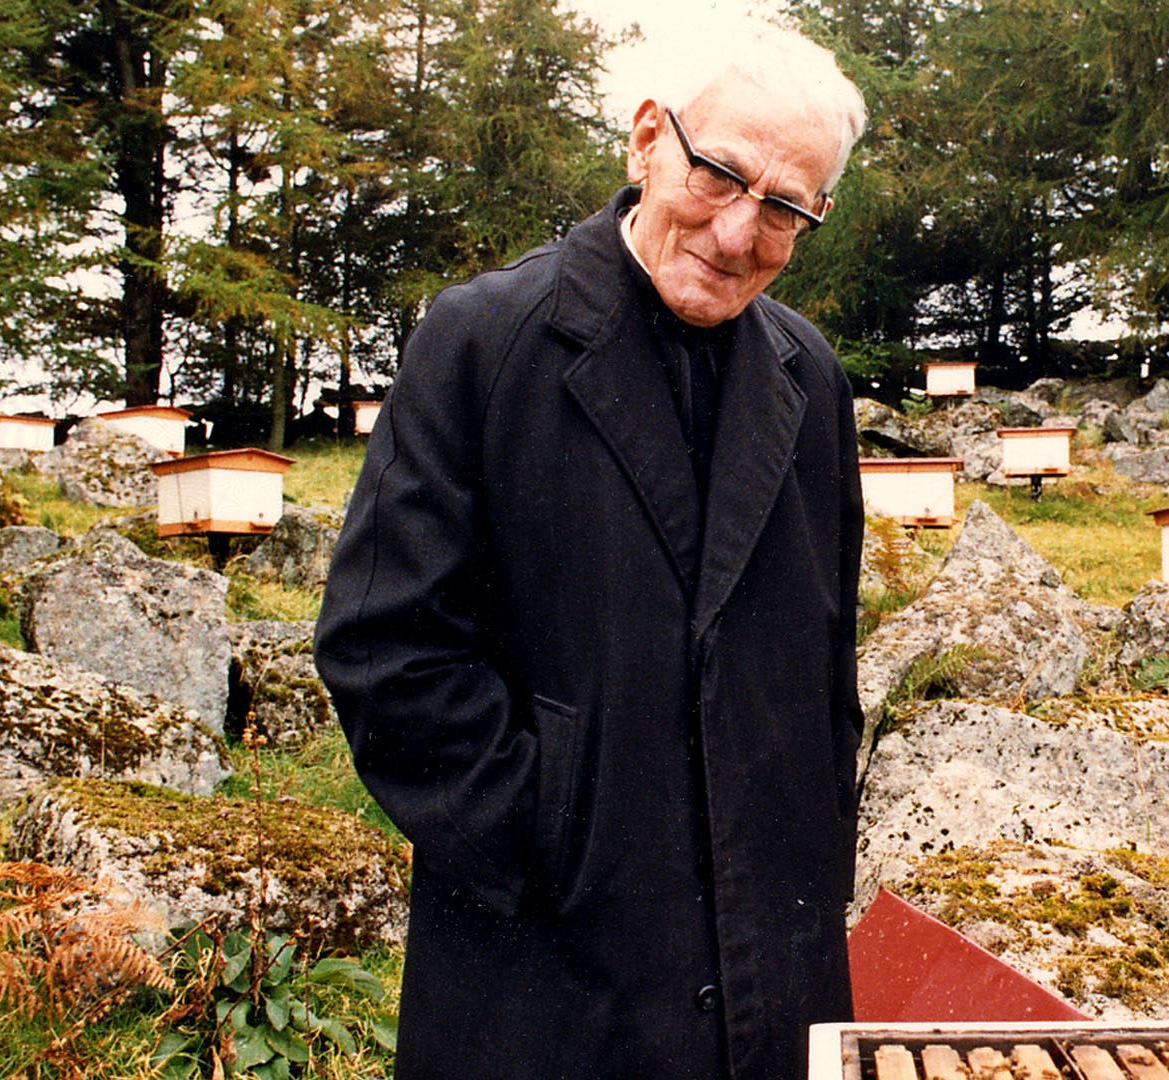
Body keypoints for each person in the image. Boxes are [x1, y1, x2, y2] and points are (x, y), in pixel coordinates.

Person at [314, 21, 868, 1080]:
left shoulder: (813, 381)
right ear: (648, 139)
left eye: (785, 208)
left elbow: (820, 675)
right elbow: (385, 650)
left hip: (769, 970)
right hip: (545, 973)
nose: (741, 231)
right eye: (720, 176)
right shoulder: (482, 339)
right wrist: (553, 836)